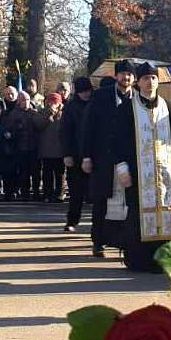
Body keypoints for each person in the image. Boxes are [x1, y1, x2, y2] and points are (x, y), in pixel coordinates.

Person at [109, 62, 171, 272]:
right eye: (145, 78)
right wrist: (122, 168)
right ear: (138, 82)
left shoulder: (170, 108)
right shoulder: (126, 109)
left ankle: (166, 259)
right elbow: (117, 140)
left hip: (166, 174)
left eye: (153, 78)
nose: (150, 82)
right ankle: (139, 259)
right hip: (137, 173)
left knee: (167, 212)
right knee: (137, 213)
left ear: (158, 81)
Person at [82, 60, 136, 257]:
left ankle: (125, 241)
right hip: (102, 157)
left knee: (128, 202)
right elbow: (89, 126)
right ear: (116, 76)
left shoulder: (138, 98)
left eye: (129, 74)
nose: (126, 77)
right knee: (101, 201)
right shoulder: (101, 96)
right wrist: (86, 156)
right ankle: (98, 241)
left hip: (128, 158)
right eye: (122, 74)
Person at [61, 76, 94, 232]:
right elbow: (65, 132)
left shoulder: (96, 104)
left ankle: (98, 223)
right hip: (75, 153)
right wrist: (67, 154)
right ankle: (72, 221)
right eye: (82, 92)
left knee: (96, 192)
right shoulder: (71, 107)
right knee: (75, 191)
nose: (85, 94)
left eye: (87, 91)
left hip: (94, 153)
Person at [0, 90, 40, 200]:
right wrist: (15, 131)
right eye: (23, 100)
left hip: (34, 146)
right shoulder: (13, 114)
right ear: (19, 102)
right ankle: (25, 193)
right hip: (20, 147)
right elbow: (9, 130)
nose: (25, 102)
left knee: (35, 172)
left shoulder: (34, 112)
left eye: (27, 100)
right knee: (23, 172)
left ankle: (36, 192)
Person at [35, 91, 65, 202]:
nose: (52, 104)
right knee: (47, 173)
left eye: (55, 102)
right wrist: (49, 114)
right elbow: (38, 125)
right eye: (50, 102)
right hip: (46, 149)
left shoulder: (64, 113)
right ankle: (47, 193)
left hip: (60, 149)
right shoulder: (42, 112)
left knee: (60, 173)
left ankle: (59, 193)